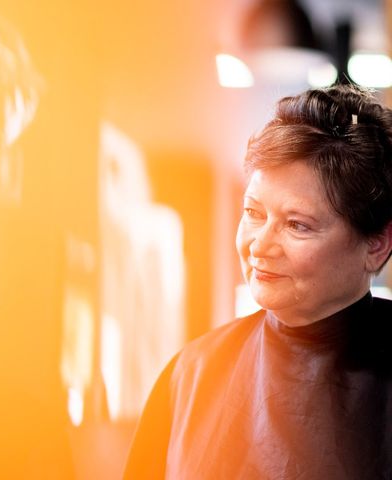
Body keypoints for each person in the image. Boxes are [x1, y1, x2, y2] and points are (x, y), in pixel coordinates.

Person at [123, 84, 392, 479]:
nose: (260, 245)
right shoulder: (191, 375)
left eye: (297, 225)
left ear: (377, 243)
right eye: (253, 212)